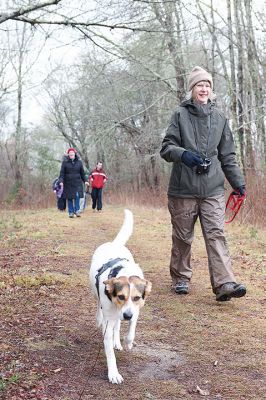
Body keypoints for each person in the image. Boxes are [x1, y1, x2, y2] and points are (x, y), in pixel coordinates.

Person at [160, 66, 247, 302]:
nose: (204, 88)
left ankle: (224, 283)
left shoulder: (220, 118)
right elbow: (166, 148)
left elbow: (227, 156)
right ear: (192, 89)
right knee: (183, 237)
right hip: (183, 189)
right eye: (200, 85)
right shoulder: (179, 115)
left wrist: (238, 183)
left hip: (213, 189)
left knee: (216, 234)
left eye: (207, 85)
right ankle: (180, 278)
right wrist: (184, 155)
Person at [59, 148, 87, 218]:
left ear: (74, 153)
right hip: (68, 183)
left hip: (77, 182)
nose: (71, 154)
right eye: (70, 153)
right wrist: (61, 181)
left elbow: (82, 173)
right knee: (70, 198)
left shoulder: (79, 162)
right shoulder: (65, 162)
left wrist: (85, 181)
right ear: (68, 154)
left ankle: (77, 211)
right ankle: (71, 212)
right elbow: (62, 173)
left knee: (77, 196)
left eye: (72, 152)